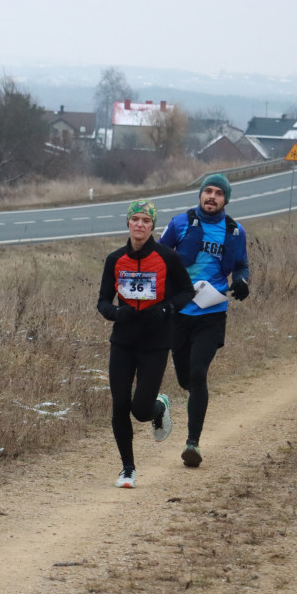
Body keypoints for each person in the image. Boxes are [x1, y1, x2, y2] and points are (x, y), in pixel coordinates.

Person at [98, 199, 194, 488]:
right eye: (135, 219)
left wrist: (166, 309)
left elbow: (187, 292)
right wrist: (116, 313)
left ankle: (158, 407)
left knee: (139, 410)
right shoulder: (115, 260)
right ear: (128, 223)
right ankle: (128, 469)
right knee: (119, 405)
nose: (140, 225)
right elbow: (103, 300)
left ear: (153, 226)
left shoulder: (167, 258)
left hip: (155, 342)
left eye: (146, 221)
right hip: (123, 341)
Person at [158, 173, 250, 468]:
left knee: (198, 374)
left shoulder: (235, 231)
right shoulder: (179, 224)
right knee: (185, 378)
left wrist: (243, 281)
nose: (212, 196)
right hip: (179, 313)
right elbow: (159, 257)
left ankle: (192, 443)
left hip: (211, 313)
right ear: (200, 195)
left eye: (218, 193)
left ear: (226, 199)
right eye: (207, 191)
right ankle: (168, 404)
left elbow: (241, 265)